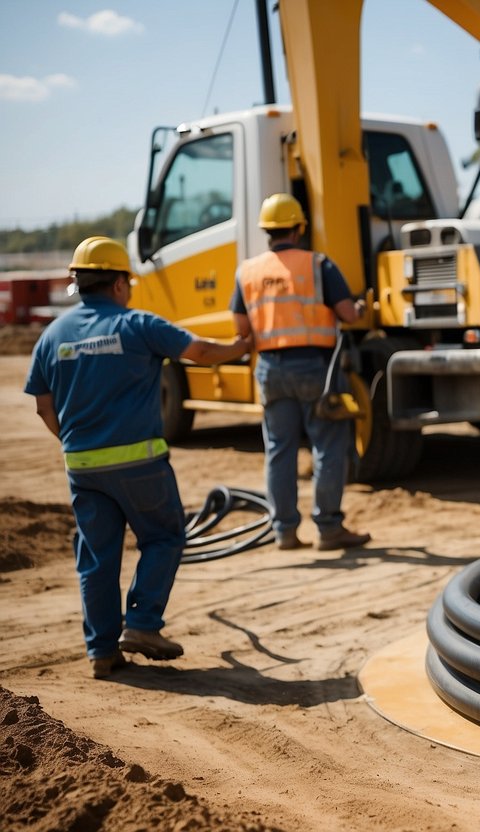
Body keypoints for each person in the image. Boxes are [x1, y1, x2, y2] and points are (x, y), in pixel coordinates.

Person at [24, 236, 252, 678]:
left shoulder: (53, 335)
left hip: (83, 467)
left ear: (78, 285)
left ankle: (102, 652)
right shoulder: (137, 325)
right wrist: (241, 347)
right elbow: (200, 352)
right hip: (140, 465)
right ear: (118, 285)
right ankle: (143, 624)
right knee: (164, 537)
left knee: (97, 557)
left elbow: (42, 404)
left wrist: (73, 441)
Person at [231, 193, 372, 552]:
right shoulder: (318, 264)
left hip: (270, 369)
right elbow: (348, 314)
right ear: (299, 228)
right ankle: (328, 528)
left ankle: (285, 532)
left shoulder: (247, 271)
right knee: (328, 446)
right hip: (315, 367)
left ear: (267, 231)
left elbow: (241, 329)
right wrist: (358, 305)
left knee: (279, 450)